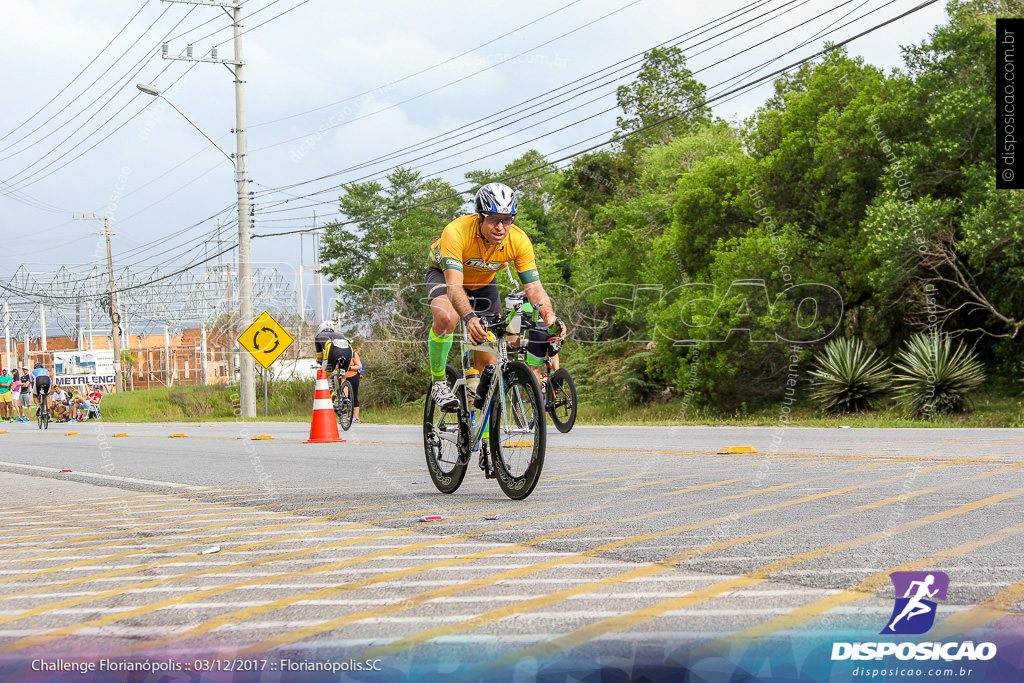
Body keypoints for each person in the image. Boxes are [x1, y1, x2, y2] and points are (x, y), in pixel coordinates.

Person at [424, 182, 567, 410]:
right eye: (493, 219)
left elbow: (534, 288)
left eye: (507, 219)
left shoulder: (518, 241)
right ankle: (439, 381)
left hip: (484, 283)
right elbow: (454, 286)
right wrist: (470, 318)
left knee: (489, 365)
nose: (501, 226)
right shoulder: (456, 231)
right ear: (479, 217)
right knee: (447, 317)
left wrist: (548, 314)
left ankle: (485, 438)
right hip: (446, 276)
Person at [313, 320, 353, 387]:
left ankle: (331, 392)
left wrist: (319, 361)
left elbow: (320, 358)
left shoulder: (318, 337)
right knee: (343, 377)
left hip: (332, 350)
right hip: (348, 350)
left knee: (326, 375)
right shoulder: (341, 335)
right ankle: (344, 397)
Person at [344, 347, 363, 424]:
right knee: (345, 397)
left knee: (354, 396)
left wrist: (349, 368)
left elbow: (359, 366)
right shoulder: (338, 354)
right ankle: (346, 416)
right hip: (343, 377)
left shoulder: (353, 354)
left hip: (353, 376)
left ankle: (356, 417)